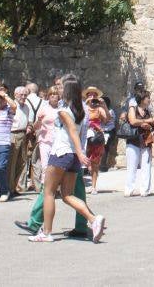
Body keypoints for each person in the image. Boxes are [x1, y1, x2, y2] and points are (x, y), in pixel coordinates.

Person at [28, 76, 106, 243]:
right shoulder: (82, 110)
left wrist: (80, 152)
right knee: (67, 195)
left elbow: (71, 131)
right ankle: (93, 220)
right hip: (72, 156)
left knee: (48, 192)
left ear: (68, 91)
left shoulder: (64, 111)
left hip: (61, 152)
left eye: (62, 87)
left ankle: (46, 232)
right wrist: (78, 153)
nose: (59, 90)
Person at [125, 89, 154, 197]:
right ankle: (129, 189)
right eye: (148, 98)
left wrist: (149, 124)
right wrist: (146, 122)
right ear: (142, 99)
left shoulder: (148, 111)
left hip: (146, 140)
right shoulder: (133, 108)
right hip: (133, 140)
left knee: (146, 165)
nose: (149, 100)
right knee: (132, 166)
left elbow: (152, 122)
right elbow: (133, 121)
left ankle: (145, 190)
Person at [83, 87, 109, 194]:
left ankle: (93, 186)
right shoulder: (83, 107)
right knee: (83, 161)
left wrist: (104, 105)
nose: (92, 97)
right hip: (85, 135)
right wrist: (85, 104)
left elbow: (107, 119)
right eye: (90, 95)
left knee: (95, 162)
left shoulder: (99, 108)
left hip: (96, 136)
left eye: (94, 95)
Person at [7, 86, 33, 196]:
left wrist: (29, 127)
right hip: (13, 134)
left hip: (23, 135)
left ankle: (14, 187)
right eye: (21, 95)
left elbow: (29, 121)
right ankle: (8, 189)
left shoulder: (26, 107)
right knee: (11, 163)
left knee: (21, 162)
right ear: (15, 95)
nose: (23, 97)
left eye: (25, 95)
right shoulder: (11, 106)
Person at [34, 87, 61, 184]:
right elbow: (35, 127)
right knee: (45, 165)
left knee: (57, 165)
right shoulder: (44, 108)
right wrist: (39, 120)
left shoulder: (62, 108)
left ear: (59, 96)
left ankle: (56, 187)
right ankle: (44, 187)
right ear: (48, 96)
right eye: (51, 94)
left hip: (59, 140)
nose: (53, 96)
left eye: (55, 94)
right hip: (45, 140)